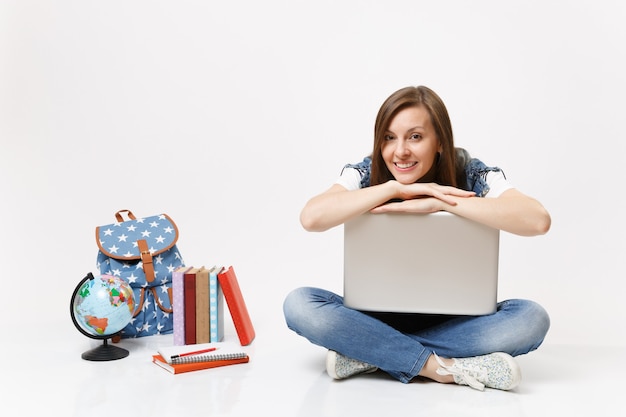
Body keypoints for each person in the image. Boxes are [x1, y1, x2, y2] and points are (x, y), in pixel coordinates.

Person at [282, 85, 551, 391]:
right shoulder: (367, 172)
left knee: (531, 318)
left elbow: (537, 219)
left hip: (457, 324)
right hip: (374, 320)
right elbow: (312, 217)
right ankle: (441, 368)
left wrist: (440, 201)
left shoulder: (470, 172)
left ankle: (369, 354)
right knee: (300, 304)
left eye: (415, 136)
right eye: (389, 137)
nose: (400, 151)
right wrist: (396, 189)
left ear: (439, 142)